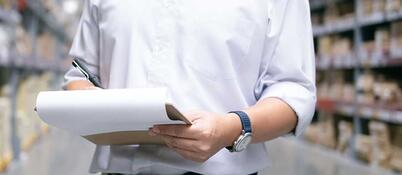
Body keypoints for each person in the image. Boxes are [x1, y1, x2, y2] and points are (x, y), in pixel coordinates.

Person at [63, 0, 316, 175]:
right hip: (118, 170)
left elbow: (293, 90)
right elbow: (81, 72)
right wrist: (88, 101)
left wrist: (230, 129)